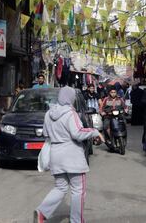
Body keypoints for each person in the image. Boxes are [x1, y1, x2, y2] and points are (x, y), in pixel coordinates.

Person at [34, 87, 104, 223]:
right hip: (72, 156)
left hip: (55, 155)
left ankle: (42, 212)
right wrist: (94, 132)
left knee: (60, 187)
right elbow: (77, 133)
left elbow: (46, 134)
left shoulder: (49, 113)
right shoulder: (70, 113)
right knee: (78, 190)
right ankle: (76, 221)